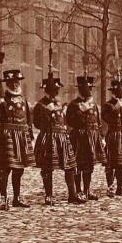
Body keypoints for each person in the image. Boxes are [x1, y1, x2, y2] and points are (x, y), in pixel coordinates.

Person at [33, 73, 84, 205]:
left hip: (62, 137)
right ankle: (49, 195)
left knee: (70, 166)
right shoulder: (40, 105)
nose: (55, 94)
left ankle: (72, 194)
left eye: (56, 91)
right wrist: (47, 113)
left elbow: (65, 121)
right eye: (53, 91)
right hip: (48, 137)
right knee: (47, 167)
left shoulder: (60, 104)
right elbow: (37, 123)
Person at [0, 69, 35, 209]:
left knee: (19, 169)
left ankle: (16, 197)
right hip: (6, 136)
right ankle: (3, 198)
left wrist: (30, 135)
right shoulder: (2, 99)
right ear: (7, 83)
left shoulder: (23, 99)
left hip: (21, 136)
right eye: (11, 82)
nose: (15, 84)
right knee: (4, 169)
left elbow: (28, 118)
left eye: (17, 82)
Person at [66, 75, 106, 201]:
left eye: (90, 88)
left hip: (92, 138)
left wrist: (101, 137)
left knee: (89, 165)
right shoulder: (73, 105)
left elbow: (98, 122)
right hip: (79, 138)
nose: (89, 90)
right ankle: (78, 191)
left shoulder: (93, 105)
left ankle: (87, 190)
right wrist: (81, 110)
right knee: (78, 164)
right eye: (86, 88)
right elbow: (70, 121)